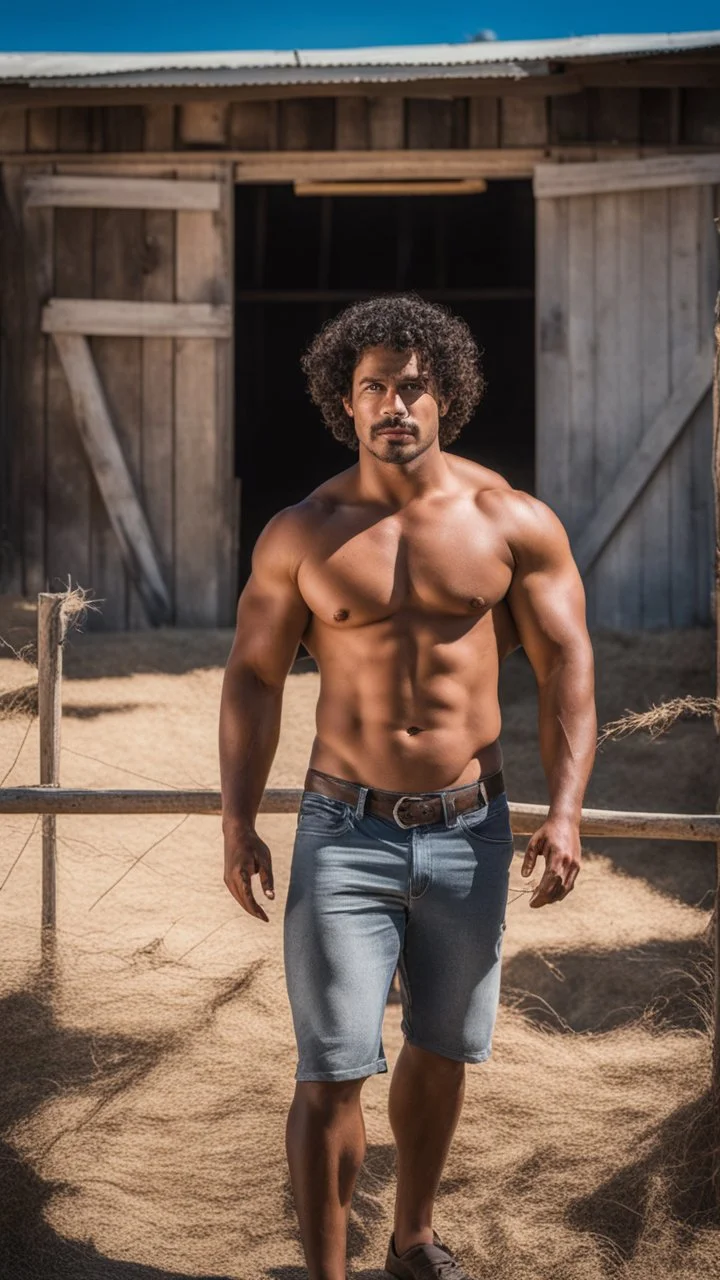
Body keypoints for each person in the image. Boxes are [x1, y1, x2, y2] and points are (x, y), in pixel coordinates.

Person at [218, 295, 596, 1280]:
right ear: (345, 402)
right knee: (331, 1065)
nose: (395, 402)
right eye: (373, 385)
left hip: (471, 830)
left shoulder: (511, 520)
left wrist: (564, 810)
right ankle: (329, 1273)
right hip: (344, 829)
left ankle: (413, 1238)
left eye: (414, 385)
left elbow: (567, 670)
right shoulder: (301, 531)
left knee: (441, 1046)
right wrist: (236, 819)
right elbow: (255, 678)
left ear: (446, 396)